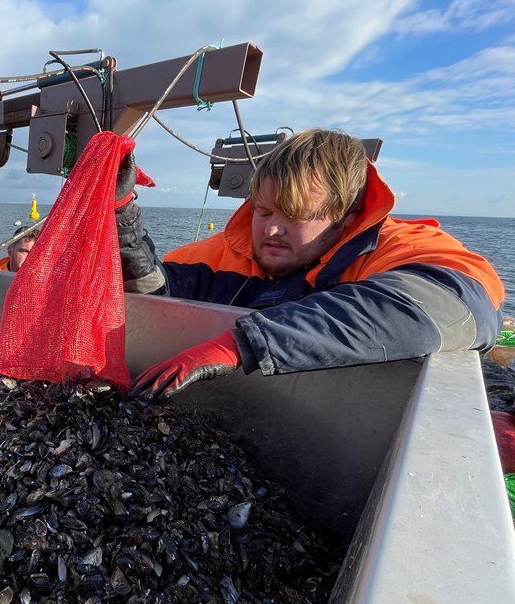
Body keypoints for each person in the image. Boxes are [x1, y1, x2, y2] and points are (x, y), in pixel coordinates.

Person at [115, 127, 505, 400]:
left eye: (295, 216)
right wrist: (121, 220)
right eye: (263, 211)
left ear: (348, 216)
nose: (270, 231)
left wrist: (243, 343)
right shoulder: (220, 252)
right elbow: (153, 293)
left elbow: (458, 309)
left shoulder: (406, 248)